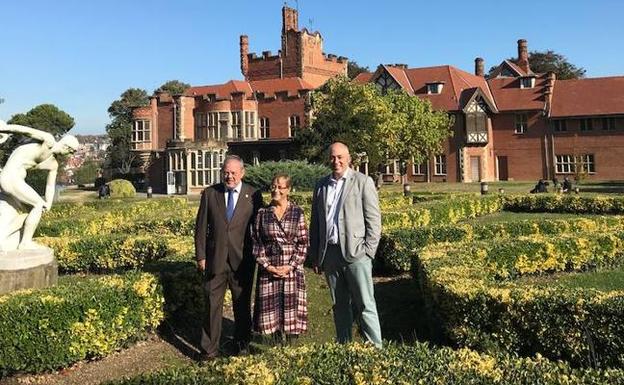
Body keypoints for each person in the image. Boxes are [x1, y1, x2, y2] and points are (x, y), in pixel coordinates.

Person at [309, 141, 383, 347]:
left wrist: (368, 252)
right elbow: (315, 223)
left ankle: (376, 349)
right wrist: (316, 254)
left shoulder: (362, 182)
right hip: (330, 255)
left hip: (357, 254)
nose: (336, 161)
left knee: (365, 304)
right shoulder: (321, 185)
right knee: (339, 305)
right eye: (332, 157)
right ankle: (344, 347)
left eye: (340, 157)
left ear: (349, 158)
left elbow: (374, 221)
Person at [194, 155, 263, 360]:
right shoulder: (210, 193)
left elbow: (259, 228)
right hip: (215, 260)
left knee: (241, 305)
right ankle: (209, 350)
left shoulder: (253, 195)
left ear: (242, 173)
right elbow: (200, 228)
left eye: (233, 172)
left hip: (243, 261)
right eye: (226, 172)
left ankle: (241, 344)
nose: (229, 176)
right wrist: (201, 256)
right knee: (211, 306)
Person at [0, 120, 79, 250]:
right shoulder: (49, 141)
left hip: (14, 179)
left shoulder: (53, 164)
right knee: (37, 205)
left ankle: (4, 236)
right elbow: (25, 130)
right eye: (72, 152)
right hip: (10, 177)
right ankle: (25, 243)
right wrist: (5, 128)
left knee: (28, 211)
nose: (71, 155)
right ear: (66, 147)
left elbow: (50, 186)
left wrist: (48, 203)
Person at [252, 173, 308, 343]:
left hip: (291, 271)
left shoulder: (297, 212)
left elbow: (303, 243)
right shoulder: (262, 213)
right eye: (273, 186)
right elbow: (256, 241)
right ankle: (275, 345)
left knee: (291, 313)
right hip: (269, 271)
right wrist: (268, 266)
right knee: (272, 315)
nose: (275, 190)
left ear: (288, 190)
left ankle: (292, 347)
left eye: (280, 187)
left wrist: (290, 266)